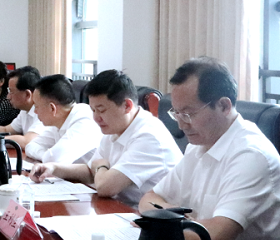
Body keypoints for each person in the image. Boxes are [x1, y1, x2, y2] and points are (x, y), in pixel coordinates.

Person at [140, 58, 280, 240]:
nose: (181, 124)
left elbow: (216, 236)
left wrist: (162, 221)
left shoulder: (252, 155)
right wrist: (174, 218)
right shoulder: (199, 145)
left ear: (224, 106)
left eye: (189, 114)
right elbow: (149, 199)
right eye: (176, 113)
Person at [31, 70, 182, 206]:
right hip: (122, 208)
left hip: (152, 216)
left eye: (101, 110)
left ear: (127, 106)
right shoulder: (115, 128)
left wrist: (101, 166)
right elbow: (90, 171)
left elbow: (105, 187)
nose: (96, 118)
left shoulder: (149, 136)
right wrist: (54, 168)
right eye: (93, 110)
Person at [25, 74, 101, 164]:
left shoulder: (85, 120)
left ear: (52, 108)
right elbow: (30, 146)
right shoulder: (59, 120)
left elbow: (55, 159)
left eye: (36, 106)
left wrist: (48, 156)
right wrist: (46, 155)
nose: (35, 111)